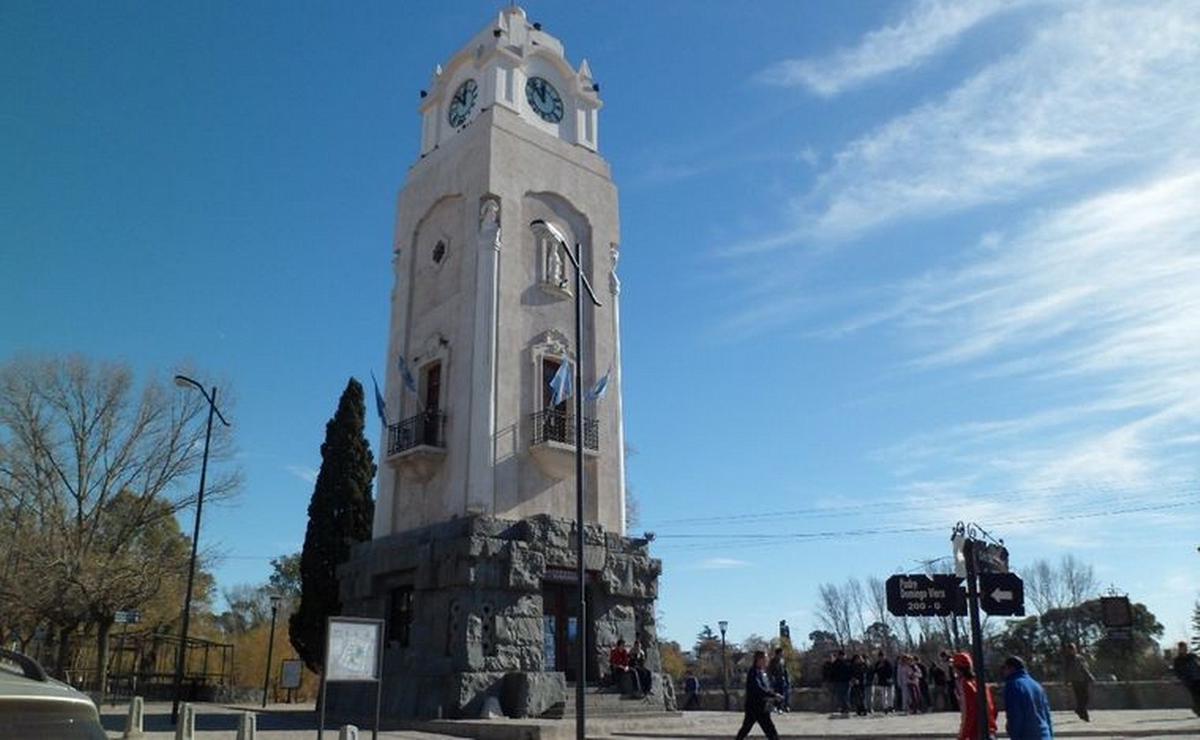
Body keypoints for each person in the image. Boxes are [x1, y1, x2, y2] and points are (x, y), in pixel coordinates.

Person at [1002, 656, 1053, 740]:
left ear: (1011, 668)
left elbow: (1015, 715)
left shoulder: (1013, 685)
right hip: (1044, 734)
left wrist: (1014, 736)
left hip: (1027, 735)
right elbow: (1046, 714)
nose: (1003, 672)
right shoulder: (1036, 685)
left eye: (1004, 668)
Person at [735, 650, 782, 740]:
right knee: (748, 729)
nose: (767, 660)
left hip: (762, 706)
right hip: (754, 707)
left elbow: (766, 687)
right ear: (759, 659)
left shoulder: (762, 672)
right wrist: (773, 695)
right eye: (765, 658)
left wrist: (773, 696)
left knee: (769, 730)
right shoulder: (753, 672)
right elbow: (758, 688)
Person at [952, 652, 997, 740]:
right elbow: (993, 708)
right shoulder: (980, 682)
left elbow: (968, 713)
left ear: (958, 668)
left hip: (976, 733)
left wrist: (962, 736)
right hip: (989, 730)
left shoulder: (965, 685)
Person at [1062, 643, 1094, 722]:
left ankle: (1080, 711)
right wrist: (1066, 681)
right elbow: (1066, 672)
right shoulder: (1068, 660)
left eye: (1073, 649)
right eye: (1070, 649)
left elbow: (1085, 668)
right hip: (1076, 681)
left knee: (1085, 697)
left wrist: (1090, 677)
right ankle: (1084, 715)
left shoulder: (1079, 658)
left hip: (1083, 680)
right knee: (1080, 698)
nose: (1072, 651)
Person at [1172, 641, 1200, 717]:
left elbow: (1198, 664)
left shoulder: (1192, 656)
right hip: (1189, 680)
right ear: (1179, 649)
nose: (1185, 649)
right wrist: (1181, 678)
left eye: (1185, 647)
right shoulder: (1177, 660)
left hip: (1197, 677)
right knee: (1195, 695)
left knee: (1198, 695)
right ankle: (1197, 709)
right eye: (1183, 648)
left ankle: (1196, 709)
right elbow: (1176, 671)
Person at [767, 647, 791, 713]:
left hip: (782, 680)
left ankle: (783, 707)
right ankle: (776, 707)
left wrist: (787, 679)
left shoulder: (782, 661)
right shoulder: (773, 661)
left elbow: (785, 670)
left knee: (784, 693)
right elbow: (769, 671)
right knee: (776, 694)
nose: (782, 654)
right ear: (777, 653)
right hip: (775, 680)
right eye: (781, 653)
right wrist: (771, 678)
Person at [830, 650, 852, 716]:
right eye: (841, 656)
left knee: (846, 696)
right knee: (840, 696)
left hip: (846, 681)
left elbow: (850, 671)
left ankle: (847, 709)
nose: (842, 657)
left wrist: (851, 679)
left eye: (843, 655)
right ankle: (843, 708)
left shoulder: (847, 662)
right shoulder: (836, 663)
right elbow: (833, 672)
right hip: (838, 681)